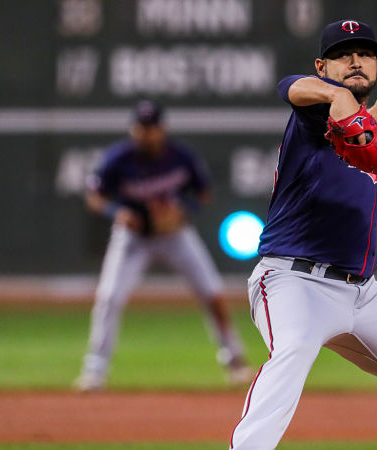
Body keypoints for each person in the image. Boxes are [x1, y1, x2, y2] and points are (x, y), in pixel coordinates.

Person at [229, 20, 377, 450]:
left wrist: (374, 114)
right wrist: (337, 94)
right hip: (293, 281)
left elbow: (358, 144)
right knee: (293, 352)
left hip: (362, 293)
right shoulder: (311, 112)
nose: (354, 60)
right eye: (342, 54)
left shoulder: (370, 133)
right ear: (322, 66)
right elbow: (290, 86)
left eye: (364, 54)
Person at [74, 100, 252, 392]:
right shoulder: (119, 158)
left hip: (175, 235)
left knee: (212, 293)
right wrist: (117, 213)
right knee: (109, 298)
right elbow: (95, 196)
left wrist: (182, 209)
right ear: (133, 129)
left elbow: (204, 192)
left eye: (152, 127)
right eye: (141, 128)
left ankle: (235, 362)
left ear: (162, 129)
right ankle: (94, 371)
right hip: (133, 237)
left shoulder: (181, 156)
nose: (146, 133)